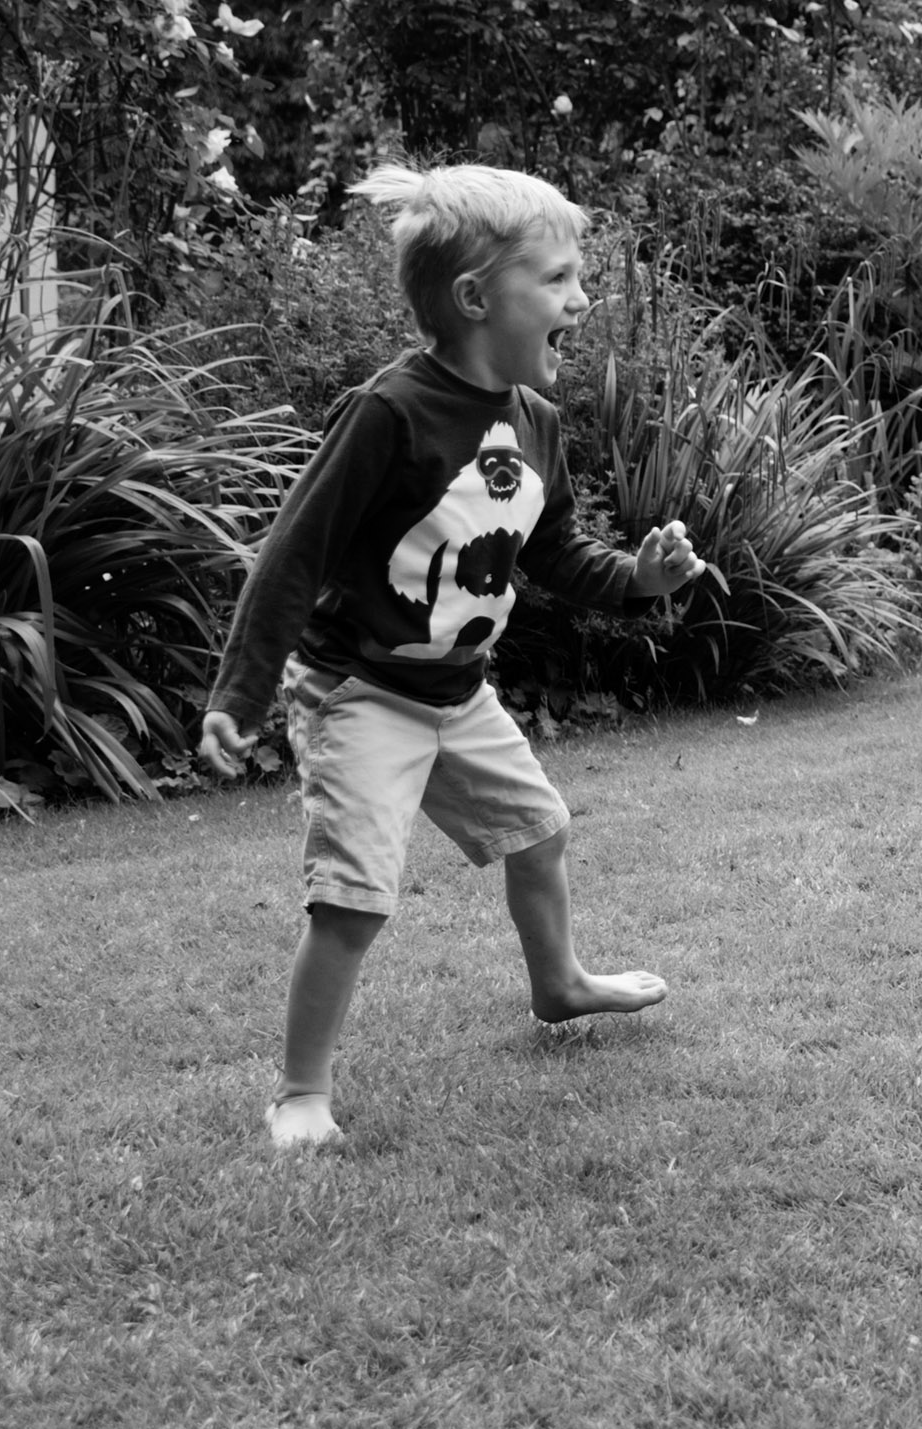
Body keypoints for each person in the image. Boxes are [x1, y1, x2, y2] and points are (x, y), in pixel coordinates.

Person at [199, 163, 705, 1151]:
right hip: (361, 693)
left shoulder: (538, 423)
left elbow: (553, 555)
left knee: (539, 830)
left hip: (457, 692)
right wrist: (243, 691)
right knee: (352, 896)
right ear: (477, 300)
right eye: (557, 280)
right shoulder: (390, 415)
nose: (581, 299)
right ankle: (300, 1093)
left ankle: (557, 987)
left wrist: (642, 581)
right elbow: (295, 552)